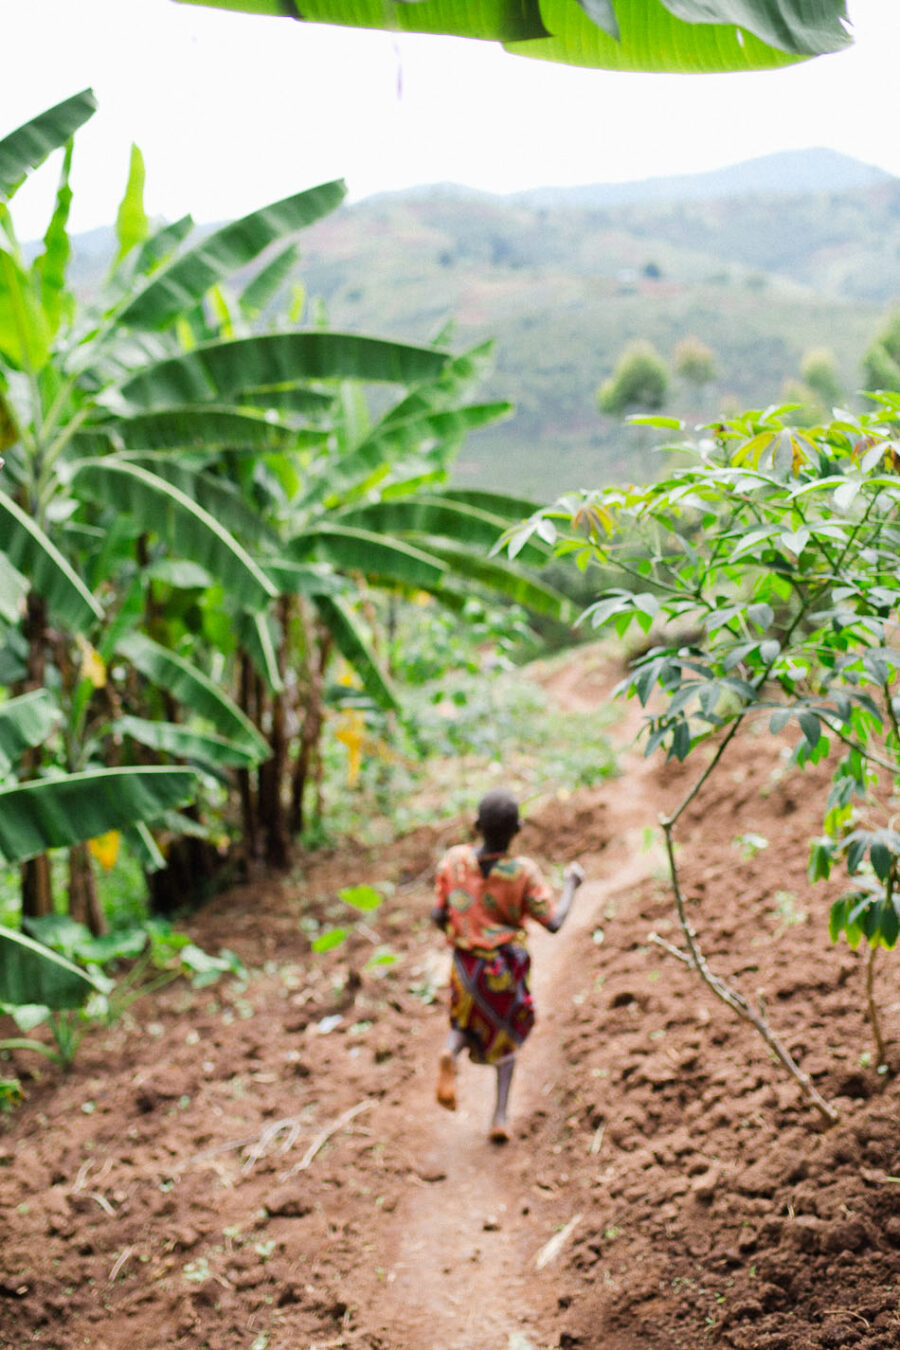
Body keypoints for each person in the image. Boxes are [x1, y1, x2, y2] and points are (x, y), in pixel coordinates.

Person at [431, 787, 585, 1143]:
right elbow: (553, 922)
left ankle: (449, 1052)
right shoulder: (523, 873)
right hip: (503, 970)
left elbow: (438, 913)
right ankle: (499, 1117)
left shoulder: (453, 861)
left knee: (463, 1019)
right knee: (506, 1036)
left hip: (466, 966)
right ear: (517, 829)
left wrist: (458, 932)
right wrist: (572, 885)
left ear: (475, 825)